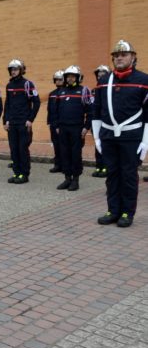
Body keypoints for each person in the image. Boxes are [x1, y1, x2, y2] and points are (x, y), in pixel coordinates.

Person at [93, 40, 148, 228]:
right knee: (112, 175)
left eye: (123, 55)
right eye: (116, 56)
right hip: (108, 136)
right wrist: (97, 137)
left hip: (131, 137)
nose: (119, 58)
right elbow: (96, 110)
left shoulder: (144, 81)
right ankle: (113, 210)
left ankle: (127, 212)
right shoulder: (103, 81)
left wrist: (145, 142)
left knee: (129, 176)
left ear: (133, 57)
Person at [55, 66, 92, 191]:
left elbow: (90, 111)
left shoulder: (83, 91)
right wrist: (57, 126)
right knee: (64, 154)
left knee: (75, 154)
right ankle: (67, 178)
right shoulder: (61, 91)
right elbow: (56, 111)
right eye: (68, 76)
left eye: (73, 76)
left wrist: (86, 127)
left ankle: (75, 180)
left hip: (77, 129)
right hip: (63, 128)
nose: (70, 79)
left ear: (77, 77)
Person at [3, 59, 40, 184]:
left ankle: (24, 174)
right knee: (14, 149)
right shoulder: (9, 86)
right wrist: (6, 120)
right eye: (11, 70)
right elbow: (7, 104)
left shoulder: (28, 84)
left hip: (23, 123)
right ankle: (16, 173)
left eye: (16, 69)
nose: (13, 72)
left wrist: (30, 119)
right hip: (12, 123)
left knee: (22, 149)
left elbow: (37, 102)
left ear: (21, 70)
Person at [91, 65, 110, 178]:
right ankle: (99, 166)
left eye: (103, 75)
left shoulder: (110, 89)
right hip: (96, 122)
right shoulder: (94, 90)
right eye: (98, 75)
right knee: (98, 145)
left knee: (107, 146)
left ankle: (106, 168)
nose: (100, 77)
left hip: (107, 123)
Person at [47, 70, 65, 173]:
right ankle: (57, 164)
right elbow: (50, 109)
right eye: (56, 80)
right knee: (56, 145)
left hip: (62, 124)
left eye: (60, 79)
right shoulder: (52, 94)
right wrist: (49, 121)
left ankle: (65, 165)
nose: (58, 81)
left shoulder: (66, 92)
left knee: (64, 146)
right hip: (53, 124)